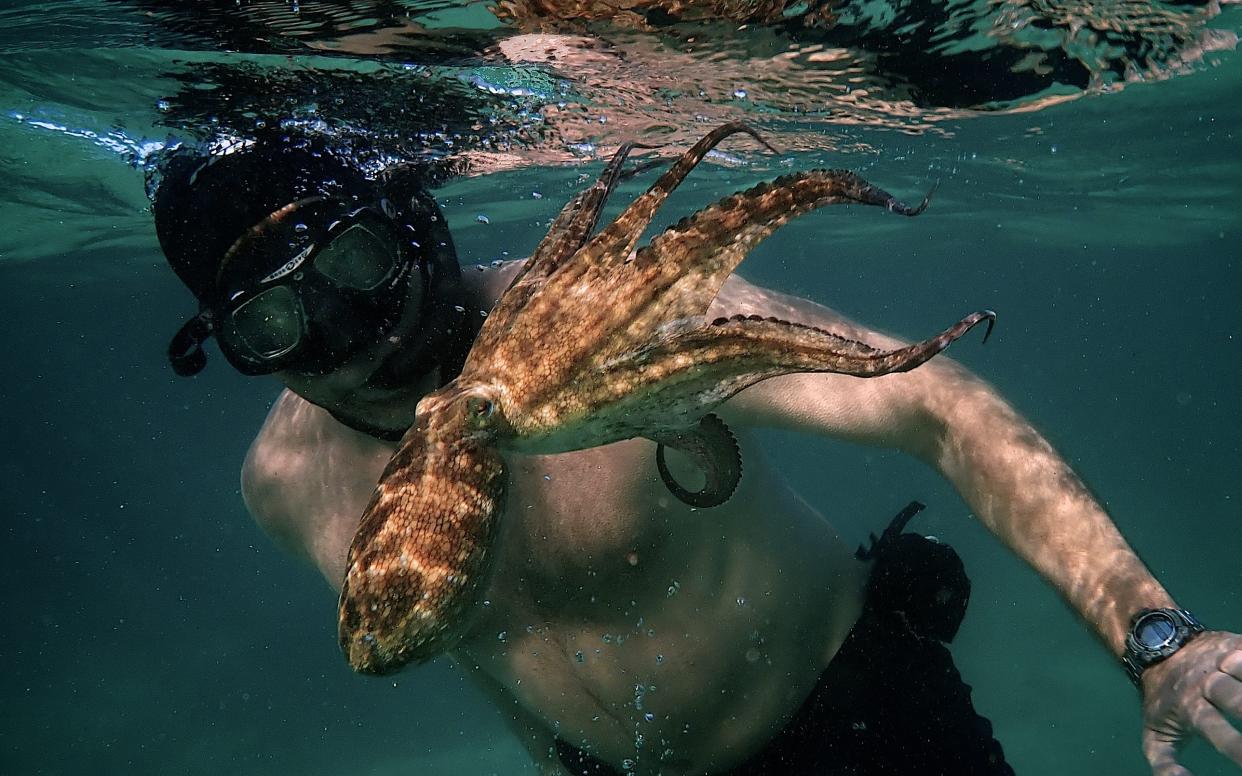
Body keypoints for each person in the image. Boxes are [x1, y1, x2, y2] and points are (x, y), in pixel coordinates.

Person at [153, 133, 1242, 776]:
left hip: (864, 722)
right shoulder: (284, 484)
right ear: (229, 344)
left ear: (416, 222)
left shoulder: (627, 316)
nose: (350, 335)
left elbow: (941, 408)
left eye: (357, 259)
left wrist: (1155, 637)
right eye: (272, 323)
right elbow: (489, 655)